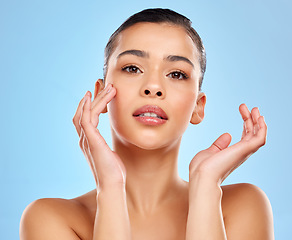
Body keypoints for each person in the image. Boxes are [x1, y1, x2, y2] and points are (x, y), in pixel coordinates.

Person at [20, 8, 274, 240]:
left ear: (198, 106)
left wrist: (205, 187)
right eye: (132, 68)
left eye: (176, 74)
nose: (153, 87)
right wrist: (110, 188)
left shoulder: (243, 206)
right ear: (101, 94)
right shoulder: (50, 218)